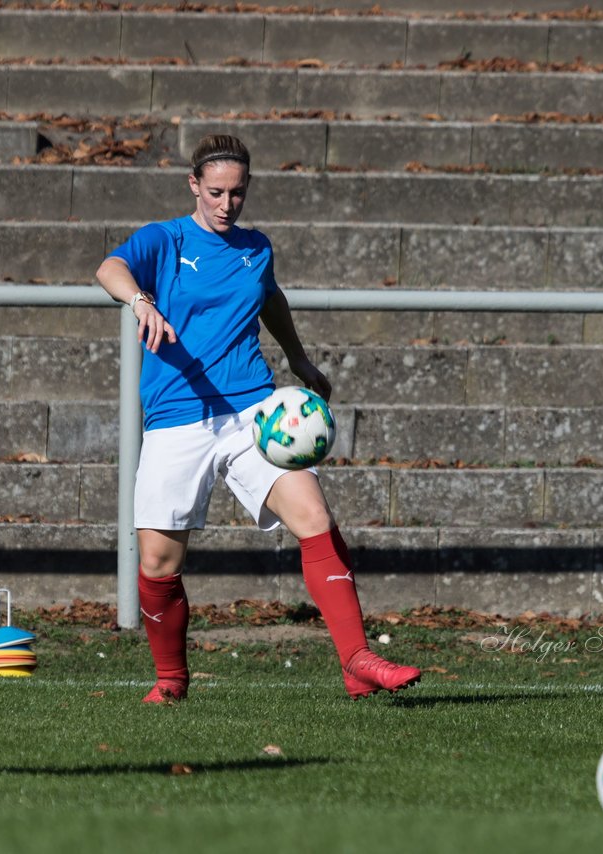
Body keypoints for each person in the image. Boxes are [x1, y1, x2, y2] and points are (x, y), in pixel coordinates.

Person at [95, 134, 421, 703]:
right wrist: (140, 301)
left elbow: (271, 300)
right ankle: (170, 679)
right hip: (177, 417)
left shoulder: (256, 248)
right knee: (158, 562)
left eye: (237, 193)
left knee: (314, 516)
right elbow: (110, 268)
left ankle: (357, 660)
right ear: (194, 185)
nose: (226, 204)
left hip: (253, 411)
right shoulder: (165, 240)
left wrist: (297, 357)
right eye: (216, 191)